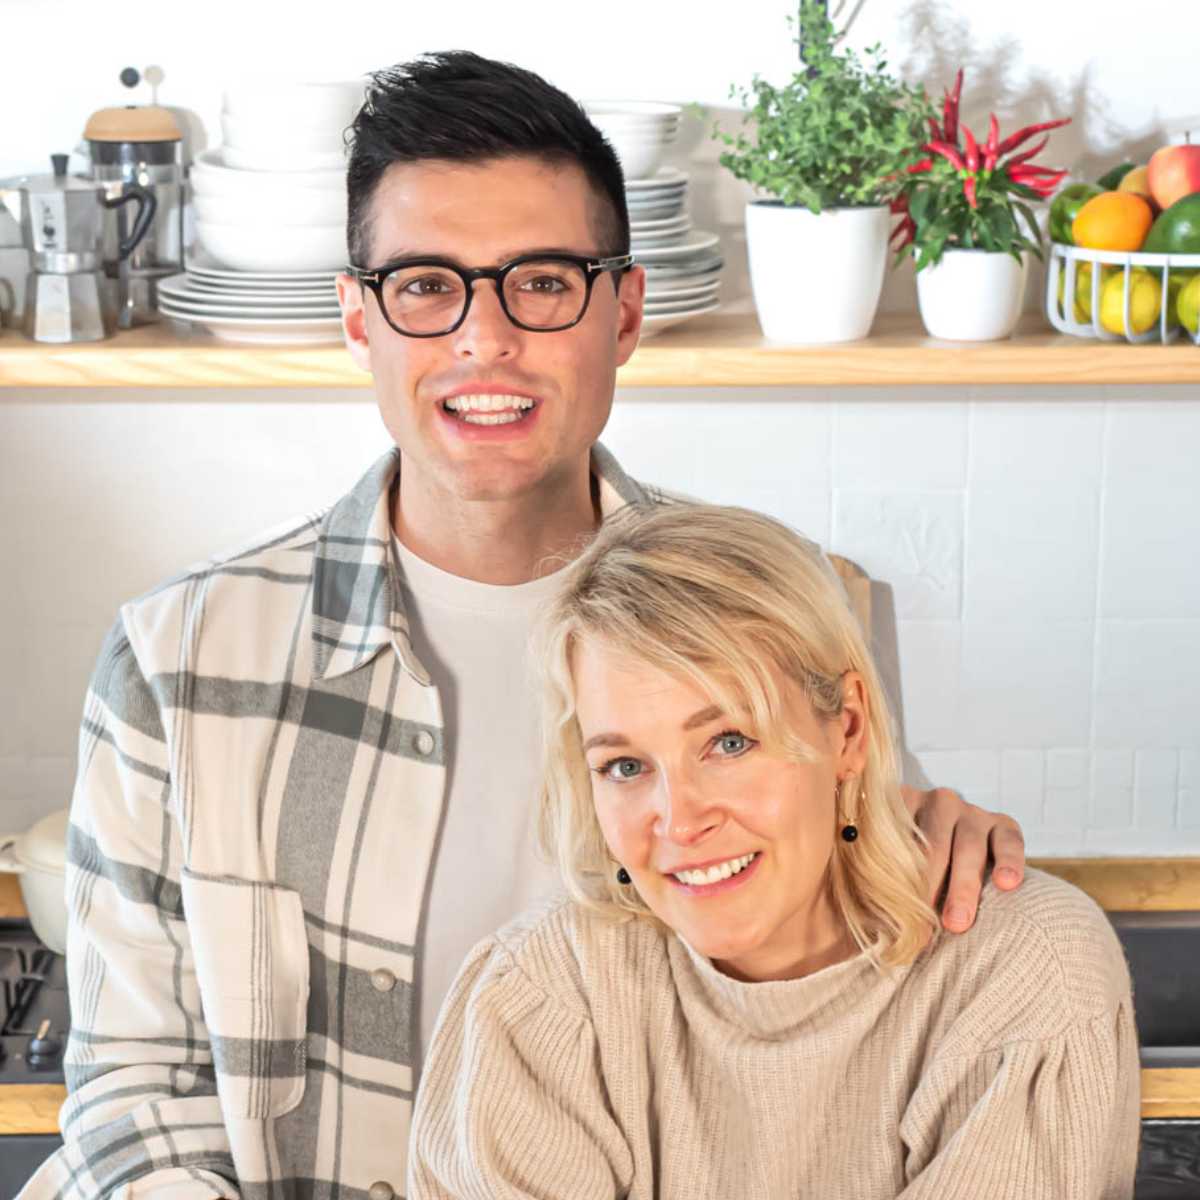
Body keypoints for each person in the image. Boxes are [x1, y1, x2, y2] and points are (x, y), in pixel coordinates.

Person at [21, 52, 1029, 1200]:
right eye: (425, 285)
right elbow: (132, 1096)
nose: (484, 339)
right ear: (359, 317)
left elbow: (860, 980)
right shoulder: (179, 660)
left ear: (627, 311)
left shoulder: (779, 608)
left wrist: (930, 853)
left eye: (541, 282)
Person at [409, 502, 1140, 1200]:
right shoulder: (546, 994)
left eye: (729, 742)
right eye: (625, 766)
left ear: (847, 731)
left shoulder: (1019, 970)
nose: (679, 820)